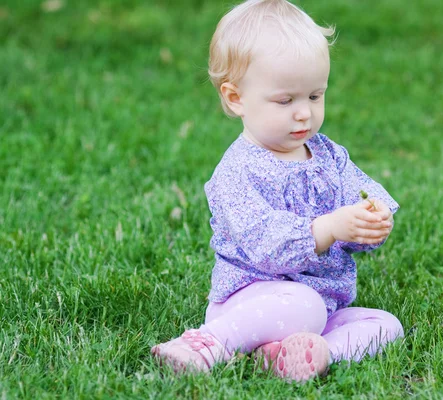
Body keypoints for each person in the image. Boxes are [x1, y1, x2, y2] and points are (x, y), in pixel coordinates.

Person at [152, 0, 404, 382]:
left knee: (385, 325)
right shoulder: (237, 172)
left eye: (315, 96)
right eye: (286, 100)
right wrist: (329, 228)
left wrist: (372, 217)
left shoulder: (327, 155)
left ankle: (307, 355)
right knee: (306, 307)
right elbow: (266, 246)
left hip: (321, 304)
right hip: (254, 301)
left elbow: (360, 193)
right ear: (236, 98)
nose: (303, 112)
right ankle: (208, 342)